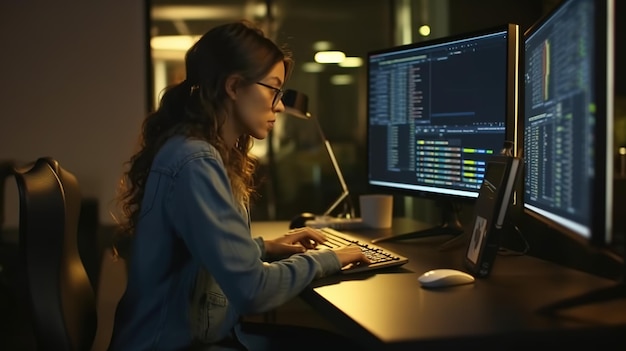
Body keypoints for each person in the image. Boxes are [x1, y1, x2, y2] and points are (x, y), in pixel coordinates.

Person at [107, 20, 369, 351]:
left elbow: (200, 250)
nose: (278, 105)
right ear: (233, 86)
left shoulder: (194, 150)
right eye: (273, 89)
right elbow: (252, 290)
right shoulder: (196, 161)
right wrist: (330, 258)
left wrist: (265, 247)